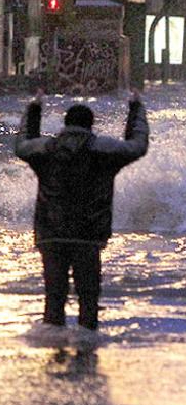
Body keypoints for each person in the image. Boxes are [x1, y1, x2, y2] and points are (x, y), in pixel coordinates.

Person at [15, 89, 149, 335]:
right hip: (87, 235)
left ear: (66, 124)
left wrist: (34, 109)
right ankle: (86, 349)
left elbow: (22, 145)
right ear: (91, 124)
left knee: (54, 297)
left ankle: (55, 351)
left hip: (51, 233)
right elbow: (137, 146)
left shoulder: (46, 150)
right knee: (88, 298)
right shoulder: (103, 151)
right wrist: (136, 109)